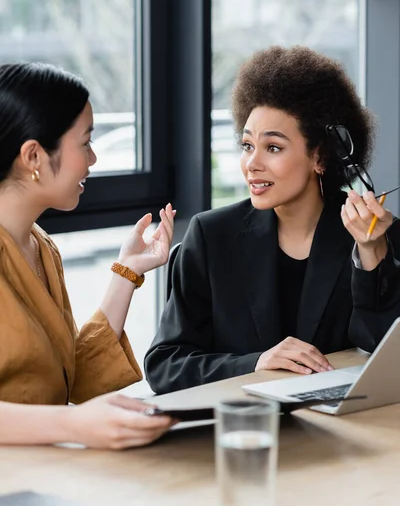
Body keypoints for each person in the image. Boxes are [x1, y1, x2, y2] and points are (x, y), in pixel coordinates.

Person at [145, 45, 400, 395]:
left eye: (273, 147)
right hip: (245, 427)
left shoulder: (373, 234)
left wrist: (371, 256)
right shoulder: (211, 236)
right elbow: (165, 364)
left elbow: (383, 350)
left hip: (342, 429)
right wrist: (255, 363)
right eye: (248, 145)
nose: (252, 163)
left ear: (320, 157)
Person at [0, 62, 176, 448]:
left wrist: (126, 272)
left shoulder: (41, 247)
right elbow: (71, 414)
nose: (93, 159)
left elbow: (74, 380)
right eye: (85, 143)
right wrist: (72, 425)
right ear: (33, 157)